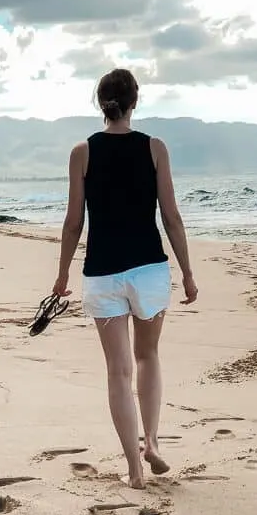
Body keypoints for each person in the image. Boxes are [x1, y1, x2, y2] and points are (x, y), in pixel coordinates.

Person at [52, 68, 198, 488]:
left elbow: (72, 222)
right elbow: (171, 216)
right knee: (147, 357)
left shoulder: (83, 152)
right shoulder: (155, 148)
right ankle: (151, 442)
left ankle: (134, 470)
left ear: (101, 103)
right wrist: (187, 272)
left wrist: (62, 274)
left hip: (102, 275)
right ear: (136, 101)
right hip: (150, 271)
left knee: (118, 371)